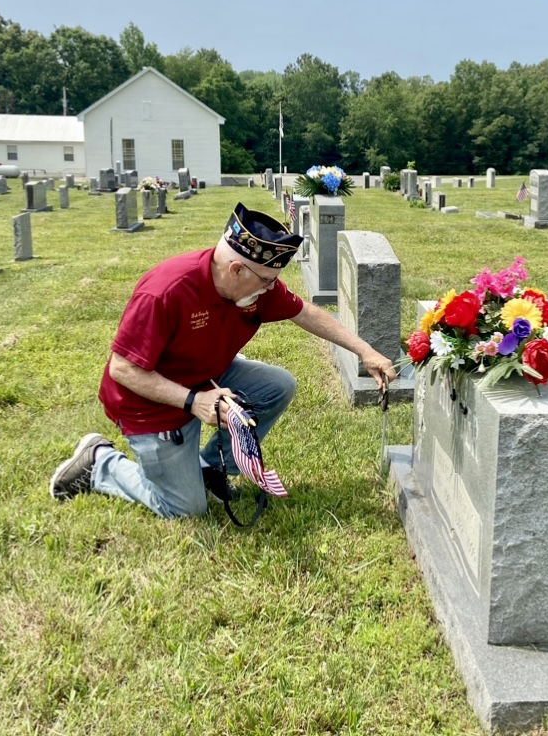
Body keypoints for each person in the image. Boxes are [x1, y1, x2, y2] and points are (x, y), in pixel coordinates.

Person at [50, 202, 397, 518]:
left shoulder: (255, 286)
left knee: (277, 386)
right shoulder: (166, 291)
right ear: (235, 269)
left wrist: (364, 350)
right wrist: (193, 401)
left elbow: (304, 313)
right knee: (185, 508)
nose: (271, 289)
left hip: (206, 377)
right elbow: (123, 369)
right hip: (151, 403)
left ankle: (211, 466)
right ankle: (100, 463)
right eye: (267, 280)